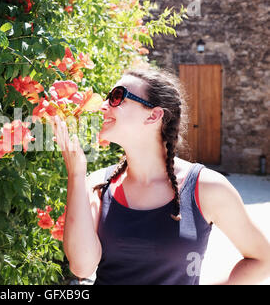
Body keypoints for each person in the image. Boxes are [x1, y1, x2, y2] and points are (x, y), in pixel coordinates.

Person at [50, 67, 270, 285]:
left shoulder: (206, 188)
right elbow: (82, 266)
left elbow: (263, 260)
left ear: (153, 115)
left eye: (117, 97)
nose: (103, 106)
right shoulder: (98, 184)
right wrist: (76, 174)